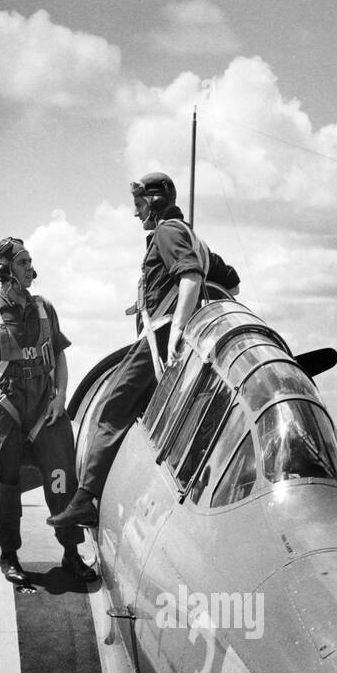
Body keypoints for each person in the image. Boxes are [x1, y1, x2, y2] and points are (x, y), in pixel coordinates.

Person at [48, 172, 238, 530]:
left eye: (138, 205)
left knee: (111, 409)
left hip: (162, 339)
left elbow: (191, 278)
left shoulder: (167, 232)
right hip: (182, 342)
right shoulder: (193, 237)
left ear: (153, 202)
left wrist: (179, 328)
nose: (136, 214)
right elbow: (233, 283)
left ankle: (85, 499)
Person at [0, 237, 96, 585]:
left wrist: (61, 396)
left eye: (29, 261)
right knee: (4, 486)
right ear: (5, 269)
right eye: (23, 262)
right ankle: (9, 556)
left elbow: (60, 355)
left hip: (46, 411)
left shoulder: (44, 309)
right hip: (4, 411)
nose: (30, 268)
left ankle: (70, 553)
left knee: (61, 481)